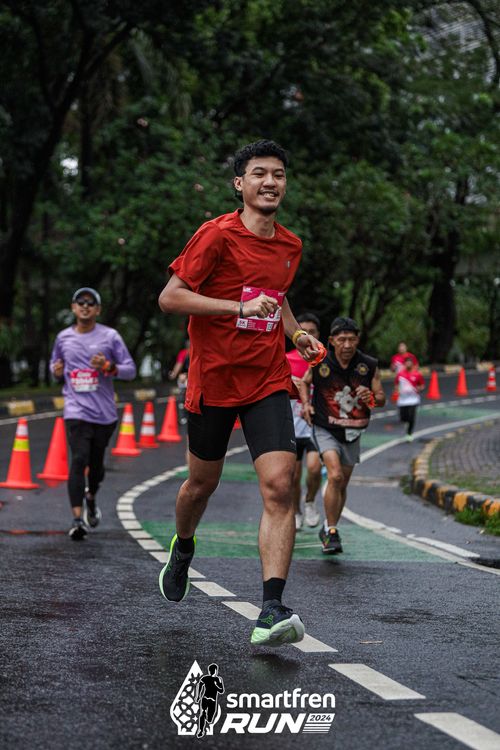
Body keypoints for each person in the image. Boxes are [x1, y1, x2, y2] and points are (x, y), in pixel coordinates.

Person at [158, 139, 322, 647]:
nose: (270, 182)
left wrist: (296, 335)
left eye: (278, 174)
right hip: (214, 379)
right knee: (200, 484)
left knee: (280, 485)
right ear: (240, 184)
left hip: (267, 379)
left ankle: (271, 608)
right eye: (259, 173)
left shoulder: (290, 245)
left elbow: (277, 297)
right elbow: (170, 298)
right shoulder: (216, 235)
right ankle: (184, 547)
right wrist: (236, 309)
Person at [50, 287, 136, 540]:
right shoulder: (63, 338)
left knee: (96, 467)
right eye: (80, 302)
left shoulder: (110, 337)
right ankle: (77, 520)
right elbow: (55, 366)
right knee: (78, 460)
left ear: (98, 310)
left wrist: (109, 366)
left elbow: (130, 371)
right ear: (73, 308)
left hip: (104, 414)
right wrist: (56, 371)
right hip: (75, 410)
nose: (85, 306)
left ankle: (91, 495)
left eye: (90, 303)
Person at [297, 317, 386, 554]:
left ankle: (328, 527)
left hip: (354, 431)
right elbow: (304, 383)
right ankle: (333, 531)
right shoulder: (320, 361)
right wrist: (306, 405)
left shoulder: (368, 365)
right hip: (325, 428)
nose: (347, 345)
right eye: (342, 339)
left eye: (352, 339)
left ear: (358, 340)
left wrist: (371, 398)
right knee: (335, 476)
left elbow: (381, 399)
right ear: (332, 340)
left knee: (342, 483)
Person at [286, 313, 322, 530]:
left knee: (315, 469)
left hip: (316, 428)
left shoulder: (324, 360)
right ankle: (296, 511)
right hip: (291, 427)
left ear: (318, 334)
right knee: (293, 476)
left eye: (312, 332)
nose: (308, 335)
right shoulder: (286, 360)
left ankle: (309, 502)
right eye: (304, 331)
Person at [395, 356, 425, 441]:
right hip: (402, 400)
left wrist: (419, 389)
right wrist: (397, 390)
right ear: (404, 364)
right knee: (403, 418)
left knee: (411, 417)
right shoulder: (400, 374)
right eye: (407, 363)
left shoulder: (417, 374)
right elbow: (396, 384)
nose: (408, 364)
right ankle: (406, 423)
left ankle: (409, 434)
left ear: (412, 364)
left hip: (413, 399)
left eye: (410, 363)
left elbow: (422, 385)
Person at [196, 664, 224, 738]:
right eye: (211, 670)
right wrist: (198, 696)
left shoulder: (218, 679)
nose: (212, 671)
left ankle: (207, 718)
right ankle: (201, 730)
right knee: (202, 713)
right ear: (210, 671)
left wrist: (216, 686)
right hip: (205, 698)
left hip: (213, 701)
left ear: (216, 671)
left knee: (210, 719)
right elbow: (200, 685)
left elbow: (221, 691)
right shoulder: (205, 678)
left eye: (213, 670)